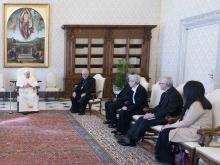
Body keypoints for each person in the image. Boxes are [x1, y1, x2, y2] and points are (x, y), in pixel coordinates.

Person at [155, 81, 212, 164]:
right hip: (191, 129)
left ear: (190, 92)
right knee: (165, 131)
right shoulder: (196, 103)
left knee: (165, 133)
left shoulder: (198, 104)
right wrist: (170, 125)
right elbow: (183, 119)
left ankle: (166, 159)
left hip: (198, 133)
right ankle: (162, 156)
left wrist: (169, 126)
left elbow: (186, 122)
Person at [117, 76, 183, 146]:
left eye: (161, 83)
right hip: (161, 115)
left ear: (167, 84)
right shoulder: (165, 93)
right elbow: (159, 106)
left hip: (168, 118)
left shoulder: (174, 95)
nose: (159, 84)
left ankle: (133, 141)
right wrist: (151, 111)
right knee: (141, 118)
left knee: (145, 121)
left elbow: (169, 111)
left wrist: (153, 115)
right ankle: (128, 136)